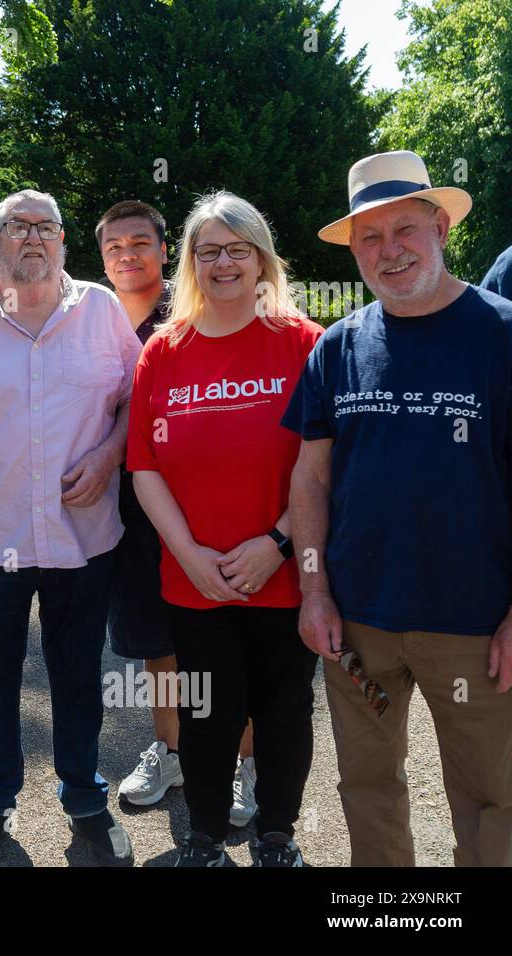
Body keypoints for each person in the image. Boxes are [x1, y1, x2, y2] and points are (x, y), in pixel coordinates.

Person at [286, 150, 512, 867]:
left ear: (441, 226)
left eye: (404, 229)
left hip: (476, 629)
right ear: (354, 251)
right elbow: (311, 481)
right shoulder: (336, 347)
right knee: (367, 786)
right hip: (360, 628)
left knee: (492, 798)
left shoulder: (503, 335)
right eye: (369, 239)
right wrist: (314, 590)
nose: (389, 251)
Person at [0, 189, 142, 867]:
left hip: (84, 539)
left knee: (77, 676)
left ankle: (84, 800)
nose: (32, 238)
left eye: (45, 227)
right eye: (17, 227)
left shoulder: (102, 310)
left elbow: (138, 396)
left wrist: (110, 455)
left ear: (64, 243)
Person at [127, 191, 323, 867]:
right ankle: (204, 838)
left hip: (284, 575)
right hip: (194, 582)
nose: (223, 263)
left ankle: (276, 835)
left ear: (261, 256)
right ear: (190, 263)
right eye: (207, 251)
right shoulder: (164, 350)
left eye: (237, 249)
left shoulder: (305, 344)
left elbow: (322, 464)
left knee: (283, 711)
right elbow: (143, 466)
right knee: (205, 716)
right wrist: (189, 556)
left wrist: (275, 543)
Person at [98, 200, 259, 824]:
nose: (127, 254)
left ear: (167, 251)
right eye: (114, 246)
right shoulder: (93, 317)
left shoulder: (194, 309)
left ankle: (246, 762)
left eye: (141, 242)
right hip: (132, 517)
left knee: (230, 641)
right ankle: (171, 750)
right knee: (155, 646)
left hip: (209, 510)